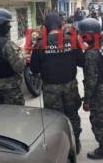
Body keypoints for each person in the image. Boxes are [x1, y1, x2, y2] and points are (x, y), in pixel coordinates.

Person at [30, 13, 84, 154]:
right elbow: (82, 62)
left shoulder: (40, 44)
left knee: (55, 118)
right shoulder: (71, 41)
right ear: (61, 26)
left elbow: (34, 69)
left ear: (46, 28)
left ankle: (60, 147)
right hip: (70, 86)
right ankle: (76, 143)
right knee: (72, 115)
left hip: (50, 89)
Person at [79, 18, 103, 160]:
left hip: (100, 89)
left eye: (82, 34)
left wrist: (87, 101)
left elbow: (91, 80)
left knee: (98, 118)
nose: (80, 37)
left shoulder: (91, 53)